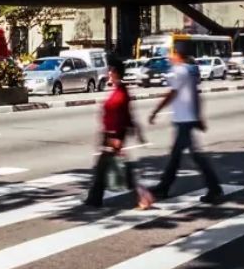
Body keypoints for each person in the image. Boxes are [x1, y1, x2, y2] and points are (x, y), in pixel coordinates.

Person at [148, 48, 224, 204]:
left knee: (195, 157)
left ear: (178, 55)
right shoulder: (188, 72)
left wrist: (156, 111)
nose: (169, 57)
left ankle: (215, 189)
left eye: (172, 53)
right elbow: (196, 96)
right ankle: (164, 187)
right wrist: (198, 116)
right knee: (177, 157)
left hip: (184, 121)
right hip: (187, 119)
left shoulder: (178, 71)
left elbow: (172, 93)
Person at [85, 58, 153, 209]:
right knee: (109, 168)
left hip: (114, 135)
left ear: (116, 73)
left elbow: (124, 116)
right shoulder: (117, 89)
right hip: (109, 135)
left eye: (111, 70)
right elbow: (128, 115)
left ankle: (142, 196)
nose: (109, 72)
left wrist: (116, 138)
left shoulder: (121, 92)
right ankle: (94, 198)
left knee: (110, 168)